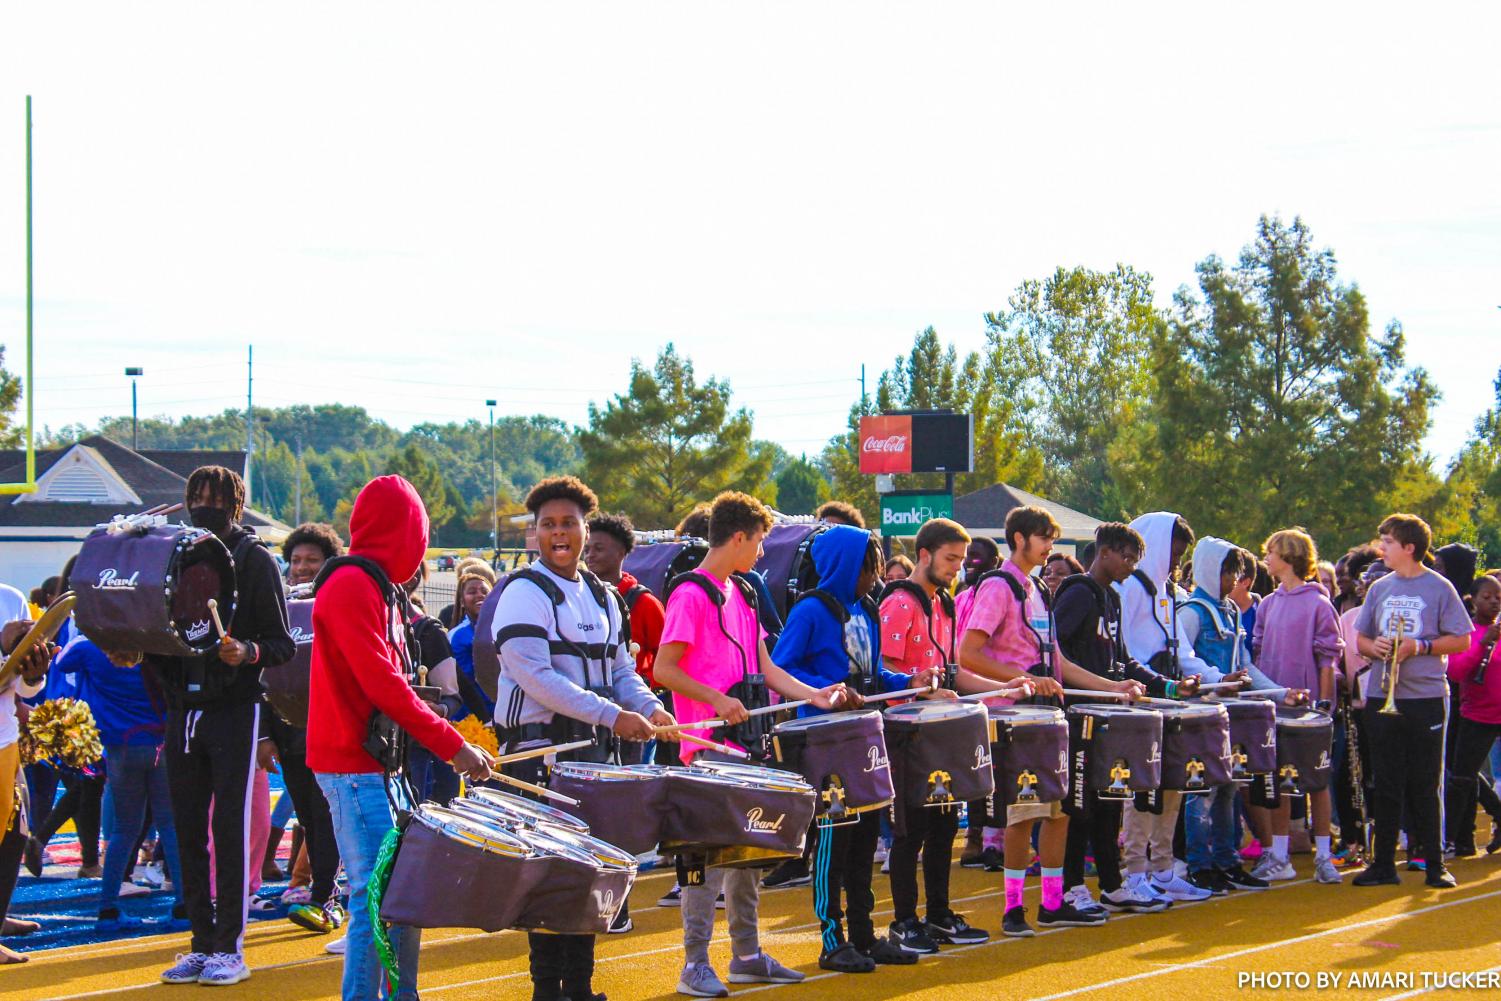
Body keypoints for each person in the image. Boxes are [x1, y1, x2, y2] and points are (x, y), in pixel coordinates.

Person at [653, 491, 851, 997]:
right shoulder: (690, 595)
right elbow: (665, 669)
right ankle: (694, 964)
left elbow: (767, 669)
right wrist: (717, 701)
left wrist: (817, 696)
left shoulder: (742, 592)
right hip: (706, 750)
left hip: (748, 745)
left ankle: (746, 955)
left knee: (748, 854)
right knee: (703, 864)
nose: (763, 552)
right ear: (738, 537)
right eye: (760, 541)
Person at [308, 474, 495, 1001]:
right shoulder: (351, 585)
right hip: (352, 765)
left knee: (400, 891)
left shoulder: (378, 587)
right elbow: (381, 684)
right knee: (379, 895)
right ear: (406, 533)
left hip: (378, 764)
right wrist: (452, 745)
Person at [493, 475, 675, 1000]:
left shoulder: (603, 596)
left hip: (595, 756)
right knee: (549, 879)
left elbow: (621, 670)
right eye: (547, 524)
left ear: (584, 528)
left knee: (588, 876)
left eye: (568, 523)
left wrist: (649, 707)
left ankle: (581, 988)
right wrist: (612, 715)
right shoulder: (522, 592)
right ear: (534, 534)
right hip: (538, 756)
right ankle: (548, 991)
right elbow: (534, 676)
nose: (559, 533)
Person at [958, 505, 1145, 938]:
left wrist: (1111, 687)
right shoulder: (999, 587)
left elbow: (1056, 662)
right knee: (1024, 814)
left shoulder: (1039, 588)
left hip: (1046, 718)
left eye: (1051, 539)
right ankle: (1012, 909)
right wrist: (1022, 679)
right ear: (1019, 539)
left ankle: (1053, 903)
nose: (1049, 548)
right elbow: (969, 653)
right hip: (1016, 718)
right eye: (1043, 539)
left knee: (1059, 812)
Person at [774, 525, 945, 973]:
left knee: (867, 837)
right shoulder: (811, 611)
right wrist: (824, 689)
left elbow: (872, 678)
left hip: (866, 737)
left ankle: (865, 934)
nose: (874, 575)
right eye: (868, 566)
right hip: (828, 743)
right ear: (844, 565)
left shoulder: (867, 609)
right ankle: (833, 941)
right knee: (835, 841)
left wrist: (909, 683)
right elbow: (781, 669)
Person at [152, 466, 295, 987]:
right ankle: (199, 943)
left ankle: (230, 947)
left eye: (216, 498)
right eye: (197, 496)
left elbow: (282, 643)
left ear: (237, 504)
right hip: (181, 709)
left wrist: (248, 651)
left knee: (229, 830)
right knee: (187, 832)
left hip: (233, 709)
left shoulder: (254, 560)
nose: (204, 504)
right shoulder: (176, 551)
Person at [1053, 523, 1193, 915]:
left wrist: (1164, 686)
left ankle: (1113, 885)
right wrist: (1102, 686)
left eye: (1136, 560)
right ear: (1106, 553)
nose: (1131, 566)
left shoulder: (1110, 598)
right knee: (1079, 806)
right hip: (1079, 714)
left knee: (1110, 801)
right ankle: (1071, 885)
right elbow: (1056, 654)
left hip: (1108, 716)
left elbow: (1122, 660)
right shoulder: (1078, 593)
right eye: (1127, 557)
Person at [879, 518, 993, 953]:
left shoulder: (943, 604)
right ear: (924, 554)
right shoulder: (901, 603)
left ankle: (939, 914)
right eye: (950, 559)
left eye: (961, 560)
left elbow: (953, 672)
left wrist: (1009, 684)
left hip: (939, 731)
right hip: (906, 734)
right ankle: (905, 920)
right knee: (911, 831)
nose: (957, 568)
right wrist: (920, 685)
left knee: (945, 824)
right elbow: (884, 672)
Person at [1352, 514, 1472, 889]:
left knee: (1425, 782)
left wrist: (1419, 646)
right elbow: (1361, 640)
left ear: (1409, 548)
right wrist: (1377, 647)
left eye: (1388, 542)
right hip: (1382, 693)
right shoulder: (1379, 588)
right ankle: (1383, 863)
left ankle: (1435, 863)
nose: (1382, 548)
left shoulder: (1439, 588)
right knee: (1386, 782)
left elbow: (1462, 639)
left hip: (1425, 696)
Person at [1112, 512, 1221, 909]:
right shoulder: (1130, 589)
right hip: (1141, 699)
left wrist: (1214, 677)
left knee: (1172, 784)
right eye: (1173, 552)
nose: (1176, 562)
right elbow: (1126, 650)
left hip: (1171, 698)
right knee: (1141, 789)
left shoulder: (1169, 591)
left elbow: (1183, 652)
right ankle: (1135, 870)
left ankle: (1163, 868)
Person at [54, 633, 186, 932]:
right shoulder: (155, 639)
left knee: (124, 830)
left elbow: (62, 660)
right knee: (169, 825)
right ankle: (183, 905)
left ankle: (108, 909)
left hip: (119, 746)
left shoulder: (90, 646)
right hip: (160, 742)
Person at [1178, 540, 1285, 894]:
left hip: (1231, 712)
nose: (1231, 579)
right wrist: (1214, 679)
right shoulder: (1191, 611)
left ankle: (1227, 860)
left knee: (1228, 787)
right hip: (1201, 713)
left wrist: (1281, 693)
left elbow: (1245, 666)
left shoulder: (1231, 612)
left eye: (1235, 573)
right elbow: (1183, 657)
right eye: (1226, 571)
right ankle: (1199, 864)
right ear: (1209, 569)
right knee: (1202, 789)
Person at [1250, 529, 1345, 885]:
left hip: (1311, 713)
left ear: (1289, 555)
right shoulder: (1268, 604)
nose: (1267, 558)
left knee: (1316, 782)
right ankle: (1278, 854)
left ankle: (1324, 856)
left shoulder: (1319, 603)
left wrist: (1322, 706)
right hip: (1276, 707)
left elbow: (1327, 659)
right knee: (1278, 781)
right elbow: (1258, 655)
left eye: (1272, 552)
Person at [271, 522, 344, 929]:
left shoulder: (337, 604)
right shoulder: (276, 608)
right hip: (289, 734)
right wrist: (266, 735)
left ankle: (324, 896)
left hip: (331, 731)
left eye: (311, 561)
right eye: (296, 560)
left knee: (326, 814)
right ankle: (322, 892)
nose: (301, 568)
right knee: (308, 816)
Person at [0, 585, 53, 965]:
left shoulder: (10, 598)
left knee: (14, 832)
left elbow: (23, 685)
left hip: (3, 739)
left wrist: (35, 672)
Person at [1444, 573, 1501, 856]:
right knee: (1463, 778)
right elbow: (1455, 672)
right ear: (1474, 600)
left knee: (1468, 776)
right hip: (1478, 714)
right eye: (1487, 597)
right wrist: (1482, 644)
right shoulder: (1468, 633)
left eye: (1498, 598)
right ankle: (1453, 839)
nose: (1493, 602)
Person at [447, 561, 497, 723]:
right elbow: (464, 685)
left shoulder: (502, 629)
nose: (479, 595)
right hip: (472, 719)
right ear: (462, 601)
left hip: (502, 713)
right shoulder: (458, 636)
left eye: (484, 591)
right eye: (472, 592)